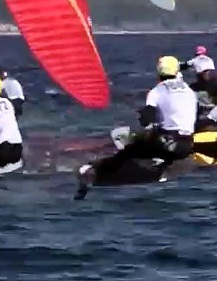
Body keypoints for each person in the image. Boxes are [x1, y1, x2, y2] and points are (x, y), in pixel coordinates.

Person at [75, 56, 198, 199]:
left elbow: (147, 120)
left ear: (158, 72)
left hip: (165, 143)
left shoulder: (156, 91)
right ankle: (161, 167)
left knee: (129, 150)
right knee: (158, 142)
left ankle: (94, 170)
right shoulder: (189, 91)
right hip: (186, 145)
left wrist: (143, 117)